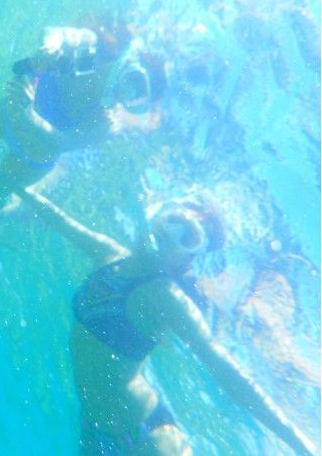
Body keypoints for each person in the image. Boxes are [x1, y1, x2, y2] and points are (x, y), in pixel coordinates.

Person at [21, 187, 316, 456]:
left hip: (150, 441)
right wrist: (15, 187)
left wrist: (300, 444)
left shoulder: (167, 298)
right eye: (175, 219)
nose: (173, 233)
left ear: (185, 260)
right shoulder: (108, 254)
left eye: (188, 237)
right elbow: (58, 219)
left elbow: (226, 371)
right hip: (95, 432)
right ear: (159, 214)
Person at [0, 17, 165, 237]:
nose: (125, 91)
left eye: (136, 97)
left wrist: (28, 114)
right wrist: (47, 48)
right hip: (11, 113)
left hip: (33, 156)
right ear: (129, 62)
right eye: (134, 80)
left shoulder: (109, 121)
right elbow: (55, 33)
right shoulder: (90, 49)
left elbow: (62, 142)